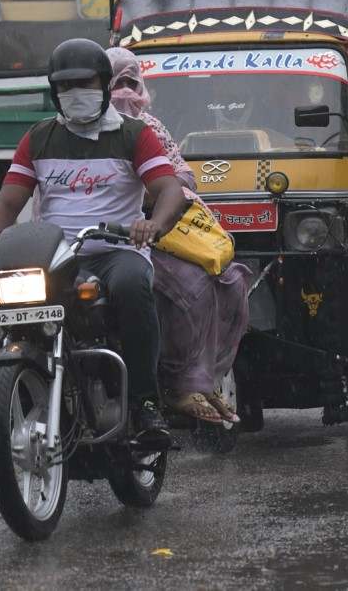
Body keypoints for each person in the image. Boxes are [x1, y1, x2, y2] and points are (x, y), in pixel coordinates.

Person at [0, 38, 186, 449]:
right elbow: (9, 201)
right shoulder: (39, 138)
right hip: (56, 256)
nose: (74, 93)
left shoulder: (134, 135)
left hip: (117, 252)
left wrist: (153, 226)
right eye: (65, 86)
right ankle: (6, 389)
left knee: (134, 287)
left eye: (84, 82)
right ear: (54, 91)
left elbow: (170, 191)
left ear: (103, 84)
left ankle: (146, 403)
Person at [107, 47, 251, 425]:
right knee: (190, 287)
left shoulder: (149, 128)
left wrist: (159, 193)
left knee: (222, 281)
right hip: (99, 239)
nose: (124, 91)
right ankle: (177, 383)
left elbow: (181, 175)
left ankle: (198, 382)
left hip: (155, 232)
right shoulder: (74, 132)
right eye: (115, 82)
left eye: (130, 81)